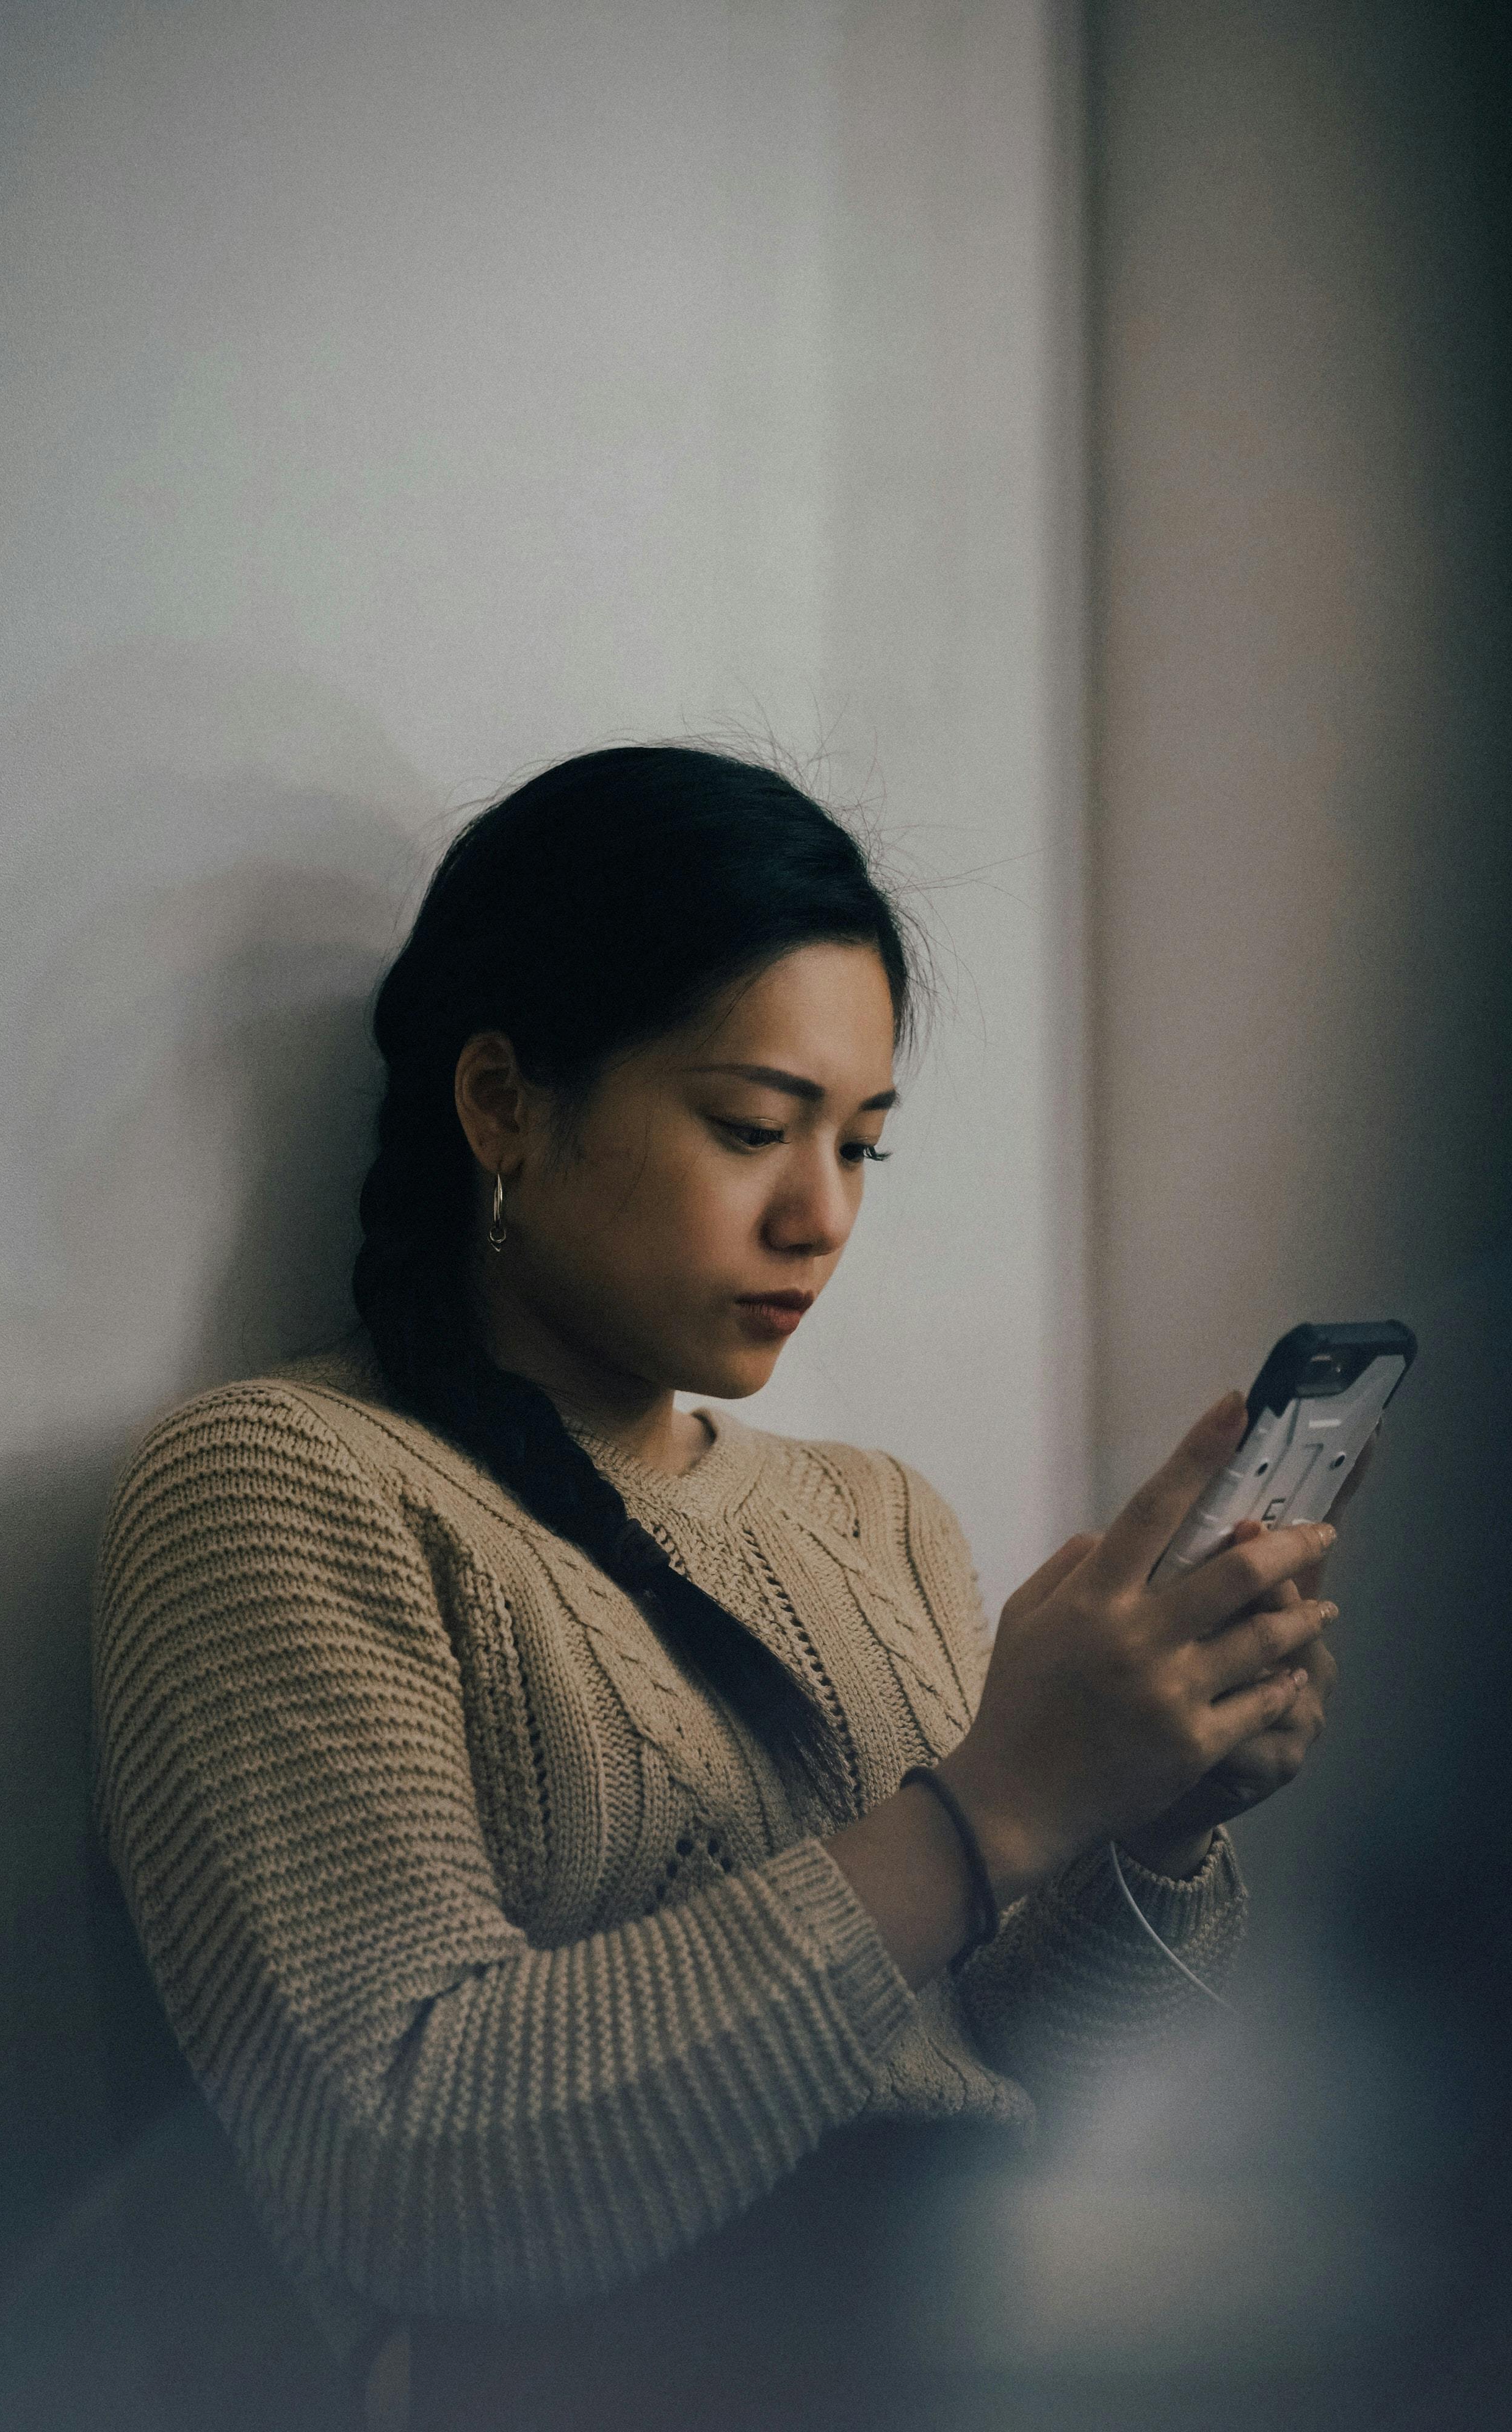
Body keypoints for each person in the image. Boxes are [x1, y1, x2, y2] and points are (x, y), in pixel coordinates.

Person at [90, 745, 1344, 2431]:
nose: (819, 1215)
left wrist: (1146, 1820)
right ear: (503, 1106)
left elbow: (1016, 2087)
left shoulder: (877, 1518)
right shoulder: (286, 1488)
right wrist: (987, 1813)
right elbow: (399, 2165)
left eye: (864, 1149)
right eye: (753, 1127)